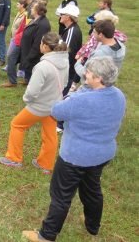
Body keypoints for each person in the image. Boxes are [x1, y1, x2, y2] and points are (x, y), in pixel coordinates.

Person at [22, 56, 126, 242]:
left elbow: (56, 111)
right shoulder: (118, 95)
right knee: (92, 189)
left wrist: (76, 92)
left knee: (61, 196)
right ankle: (93, 226)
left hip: (75, 157)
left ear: (99, 79)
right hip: (102, 154)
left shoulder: (81, 100)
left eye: (89, 73)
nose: (85, 73)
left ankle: (46, 236)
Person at [0, 32, 69, 174]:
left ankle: (14, 158)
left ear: (45, 46)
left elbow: (32, 92)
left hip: (39, 107)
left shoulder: (43, 66)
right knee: (50, 134)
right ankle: (46, 164)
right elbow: (66, 82)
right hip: (55, 106)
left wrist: (27, 100)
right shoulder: (65, 61)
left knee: (17, 124)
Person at [20, 2, 51, 82]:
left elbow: (37, 44)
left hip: (33, 58)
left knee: (33, 78)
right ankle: (27, 80)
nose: (31, 9)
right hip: (28, 53)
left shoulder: (43, 25)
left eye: (33, 8)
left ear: (37, 11)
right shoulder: (35, 20)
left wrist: (28, 58)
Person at [2, 0, 30, 87]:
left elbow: (25, 29)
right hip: (17, 38)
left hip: (19, 40)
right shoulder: (22, 14)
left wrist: (17, 37)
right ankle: (24, 79)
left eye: (18, 4)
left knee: (11, 57)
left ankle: (13, 81)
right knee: (15, 58)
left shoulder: (27, 15)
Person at [57, 5, 82, 95]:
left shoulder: (72, 31)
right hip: (66, 71)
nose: (60, 16)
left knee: (59, 96)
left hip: (66, 73)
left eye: (62, 14)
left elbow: (65, 53)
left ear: (68, 17)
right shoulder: (70, 29)